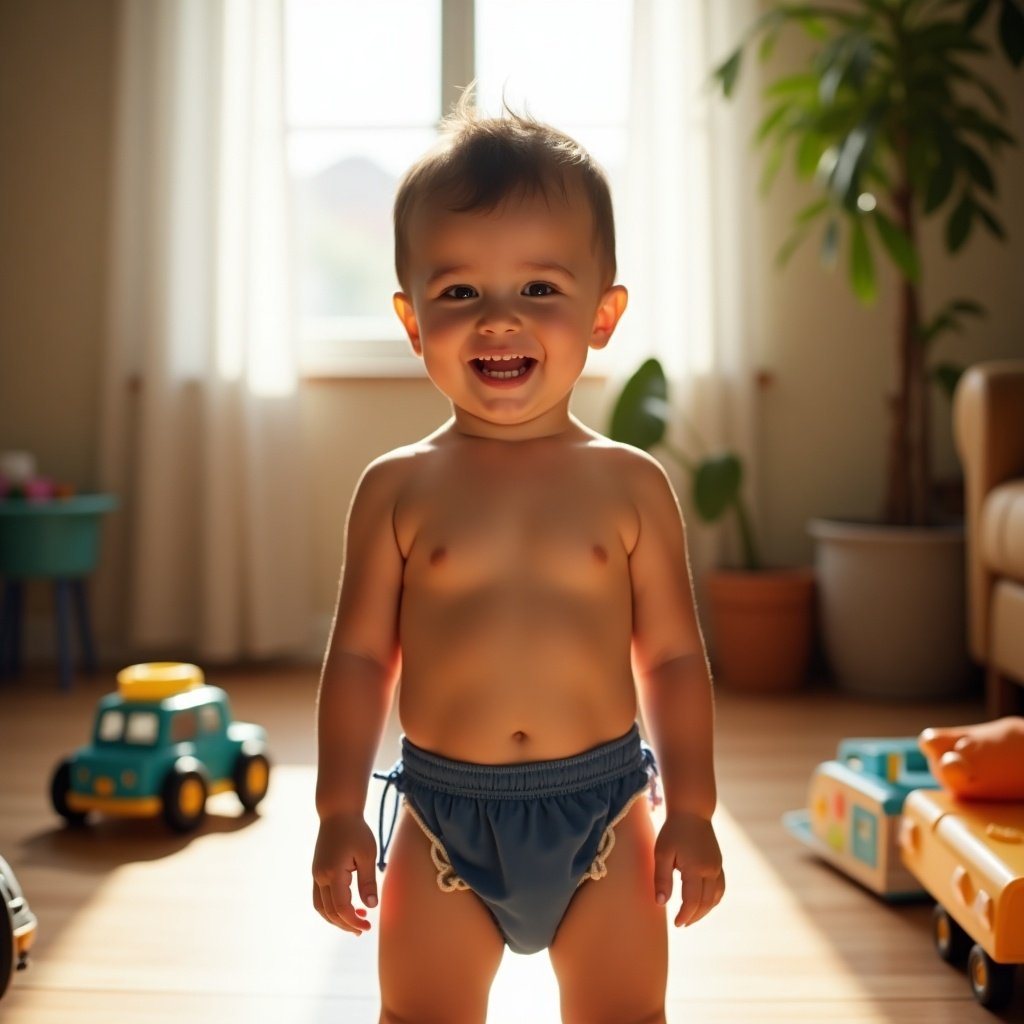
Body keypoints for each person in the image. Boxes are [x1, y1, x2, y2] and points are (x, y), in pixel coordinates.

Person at [311, 101, 725, 1024]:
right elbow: (359, 661)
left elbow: (670, 660)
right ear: (413, 321)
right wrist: (337, 808)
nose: (499, 321)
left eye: (539, 289)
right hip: (442, 823)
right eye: (459, 293)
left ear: (604, 314)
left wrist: (691, 809)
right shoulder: (396, 489)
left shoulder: (631, 485)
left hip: (606, 816)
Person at [918, 716, 1024, 802]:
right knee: (937, 743)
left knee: (954, 768)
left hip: (966, 772)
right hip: (963, 756)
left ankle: (957, 771)